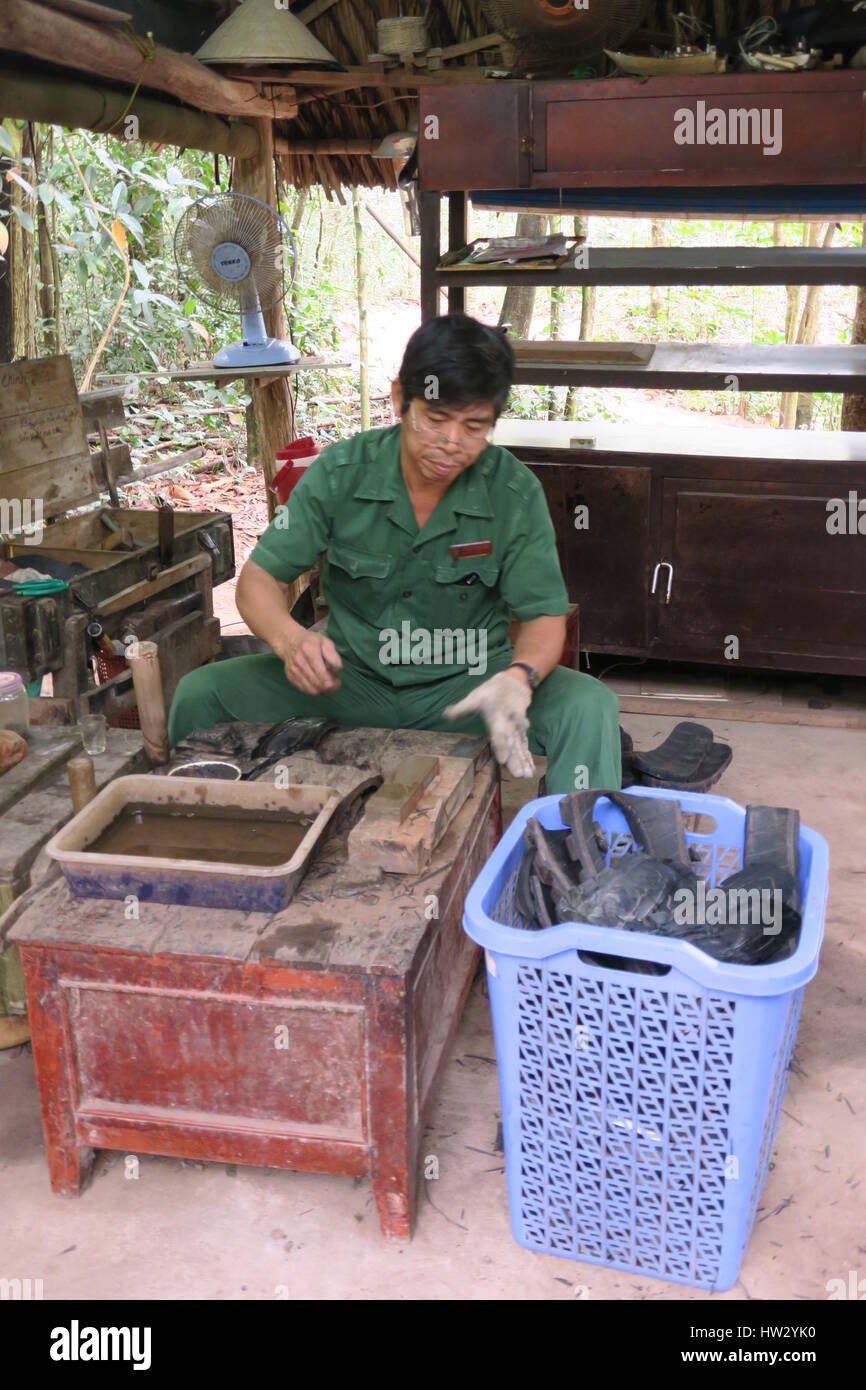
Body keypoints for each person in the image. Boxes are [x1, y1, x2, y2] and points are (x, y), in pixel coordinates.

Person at [168, 314, 620, 793]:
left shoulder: (513, 492)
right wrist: (290, 641)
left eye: (474, 426)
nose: (451, 444)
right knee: (201, 694)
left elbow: (546, 618)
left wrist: (519, 678)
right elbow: (260, 580)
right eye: (436, 419)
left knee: (588, 707)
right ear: (400, 398)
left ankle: (578, 858)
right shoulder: (341, 473)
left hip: (469, 687)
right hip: (347, 682)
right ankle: (196, 834)